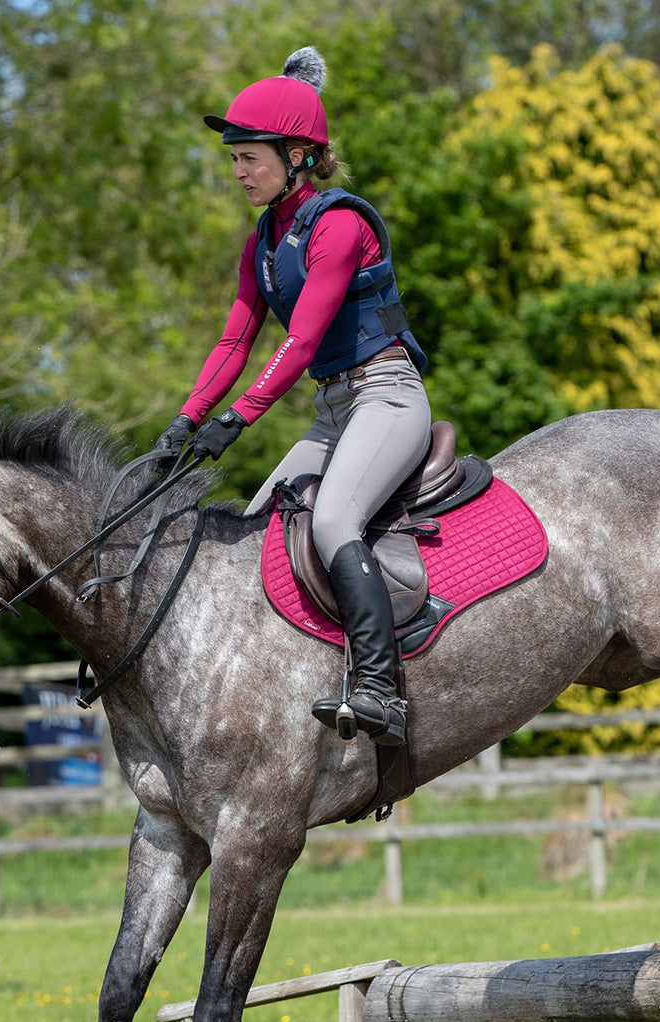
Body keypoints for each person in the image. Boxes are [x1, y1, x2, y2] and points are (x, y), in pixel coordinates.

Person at [155, 47, 432, 747]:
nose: (240, 172)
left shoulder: (339, 226)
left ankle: (380, 688)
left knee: (334, 521)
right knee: (254, 533)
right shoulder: (265, 239)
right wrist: (183, 423)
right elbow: (232, 343)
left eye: (250, 157)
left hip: (387, 398)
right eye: (235, 160)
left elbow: (301, 342)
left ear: (299, 154)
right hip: (334, 412)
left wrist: (238, 418)